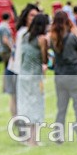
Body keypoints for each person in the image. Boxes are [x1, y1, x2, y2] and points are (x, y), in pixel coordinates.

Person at [50, 10, 77, 143]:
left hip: (60, 74)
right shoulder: (71, 37)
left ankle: (58, 136)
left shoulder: (53, 38)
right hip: (73, 74)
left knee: (61, 108)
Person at [17, 13, 49, 147]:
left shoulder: (25, 37)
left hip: (23, 75)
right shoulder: (42, 39)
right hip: (35, 76)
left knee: (25, 104)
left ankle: (27, 137)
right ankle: (33, 140)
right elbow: (45, 59)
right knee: (36, 105)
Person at [7, 4, 39, 118]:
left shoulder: (26, 32)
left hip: (19, 69)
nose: (33, 18)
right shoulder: (24, 33)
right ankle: (18, 121)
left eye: (36, 16)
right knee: (17, 98)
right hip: (17, 70)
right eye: (31, 15)